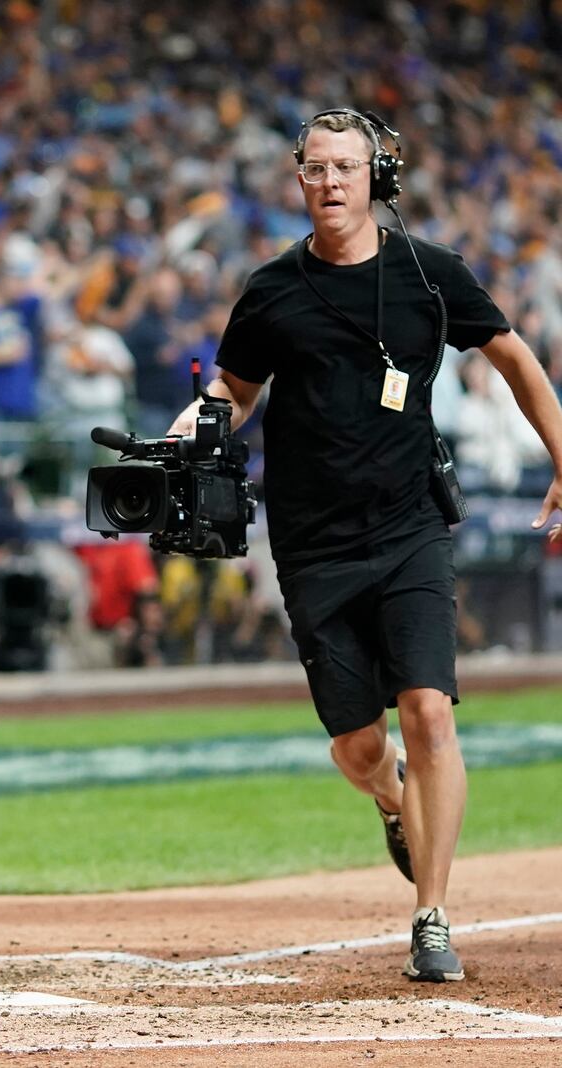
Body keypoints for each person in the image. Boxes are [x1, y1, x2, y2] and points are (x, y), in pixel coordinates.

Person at [168, 109, 562, 984]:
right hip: (311, 542)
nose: (333, 182)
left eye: (349, 167)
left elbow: (516, 359)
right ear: (298, 178)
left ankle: (431, 913)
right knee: (356, 744)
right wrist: (185, 441)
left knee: (427, 710)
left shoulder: (431, 276)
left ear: (377, 178)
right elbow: (233, 386)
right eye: (318, 168)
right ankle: (388, 798)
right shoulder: (271, 289)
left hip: (411, 527)